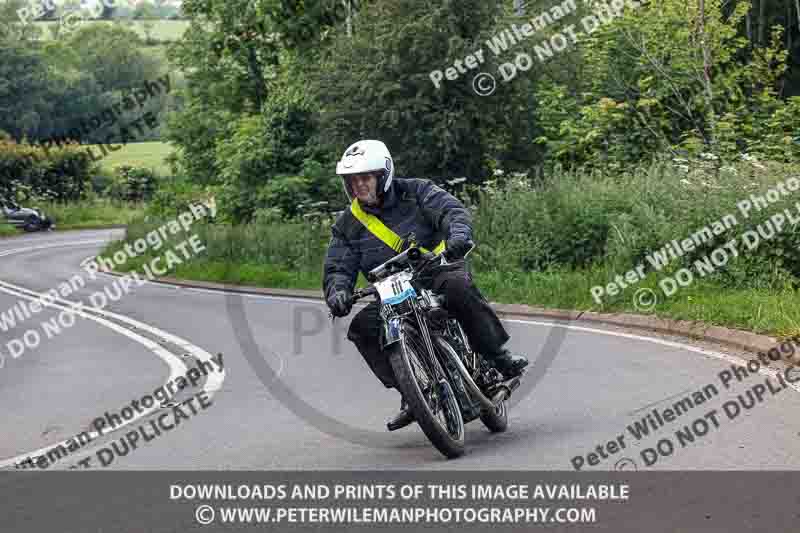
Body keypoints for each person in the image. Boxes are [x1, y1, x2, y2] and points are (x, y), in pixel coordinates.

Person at [323, 140, 528, 431]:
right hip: (392, 291)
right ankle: (411, 393)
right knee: (362, 327)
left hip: (434, 271)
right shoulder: (347, 224)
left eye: (365, 178)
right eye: (352, 181)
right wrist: (337, 291)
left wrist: (458, 236)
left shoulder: (417, 191)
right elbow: (338, 266)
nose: (358, 186)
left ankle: (496, 357)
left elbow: (450, 211)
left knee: (457, 287)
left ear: (384, 175)